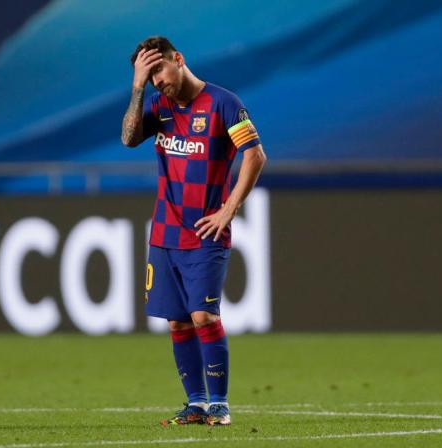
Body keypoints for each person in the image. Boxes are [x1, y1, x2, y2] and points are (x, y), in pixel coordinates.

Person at [121, 36, 266, 426]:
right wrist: (137, 88)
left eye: (157, 71)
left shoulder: (223, 103)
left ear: (178, 59)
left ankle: (220, 404)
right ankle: (196, 403)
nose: (156, 82)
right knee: (178, 322)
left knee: (203, 315)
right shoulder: (158, 106)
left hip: (205, 232)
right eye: (147, 78)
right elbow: (129, 138)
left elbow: (255, 155)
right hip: (165, 233)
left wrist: (229, 209)